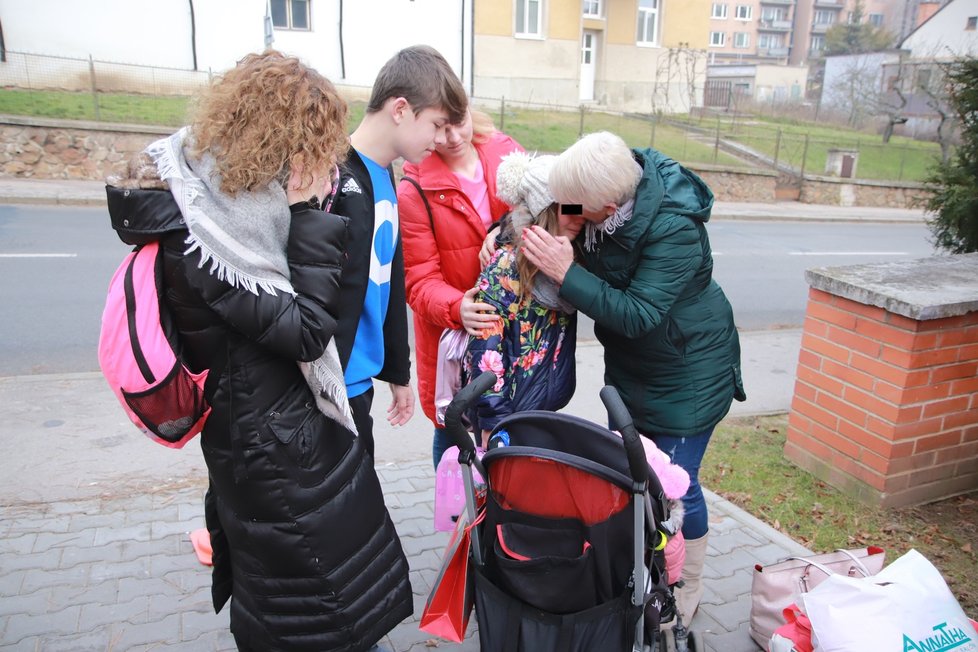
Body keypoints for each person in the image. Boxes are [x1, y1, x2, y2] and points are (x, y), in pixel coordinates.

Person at [105, 51, 412, 650]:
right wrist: (306, 214)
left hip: (271, 431)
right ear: (287, 140)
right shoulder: (210, 236)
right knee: (306, 603)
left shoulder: (233, 205)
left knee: (308, 591)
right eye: (319, 145)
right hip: (269, 449)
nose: (328, 162)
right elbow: (304, 330)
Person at [521, 131, 746, 625]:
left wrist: (566, 271)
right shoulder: (603, 193)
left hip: (688, 373)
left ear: (608, 203)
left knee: (675, 487)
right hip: (634, 370)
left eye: (577, 204)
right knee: (631, 476)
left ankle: (687, 586)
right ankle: (639, 571)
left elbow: (640, 313)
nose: (567, 207)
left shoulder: (674, 228)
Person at [330, 44, 468, 459]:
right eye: (437, 124)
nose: (444, 139)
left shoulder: (386, 176)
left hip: (360, 385)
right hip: (327, 389)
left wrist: (396, 370)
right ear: (401, 109)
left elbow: (386, 280)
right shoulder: (332, 175)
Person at [398, 108, 522, 468]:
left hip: (514, 328)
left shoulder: (504, 152)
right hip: (457, 338)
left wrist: (506, 228)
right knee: (453, 429)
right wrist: (458, 308)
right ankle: (455, 517)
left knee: (512, 423)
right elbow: (419, 282)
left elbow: (558, 207)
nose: (454, 137)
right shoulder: (415, 188)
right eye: (441, 128)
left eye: (460, 122)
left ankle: (500, 517)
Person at [463, 151, 579, 443]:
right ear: (546, 213)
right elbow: (485, 351)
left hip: (545, 407)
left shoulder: (570, 261)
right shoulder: (506, 266)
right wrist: (493, 422)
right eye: (570, 207)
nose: (580, 216)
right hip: (505, 418)